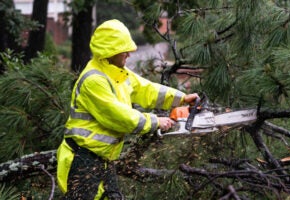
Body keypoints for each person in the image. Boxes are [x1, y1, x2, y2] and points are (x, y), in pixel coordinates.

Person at [56, 19, 199, 200]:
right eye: (124, 51)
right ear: (111, 51)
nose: (129, 55)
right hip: (83, 159)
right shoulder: (94, 80)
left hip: (103, 160)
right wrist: (155, 121)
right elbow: (118, 117)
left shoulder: (117, 72)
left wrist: (180, 99)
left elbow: (146, 89)